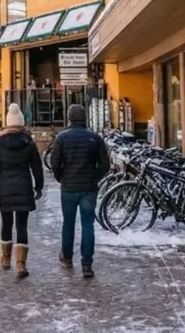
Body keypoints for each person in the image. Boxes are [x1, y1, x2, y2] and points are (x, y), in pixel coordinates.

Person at [48, 103, 111, 279]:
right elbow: (105, 164)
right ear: (85, 118)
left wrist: (61, 177)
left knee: (68, 223)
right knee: (88, 224)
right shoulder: (95, 138)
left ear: (69, 118)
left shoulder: (62, 137)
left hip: (69, 186)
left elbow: (55, 162)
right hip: (88, 187)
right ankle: (87, 264)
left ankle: (67, 257)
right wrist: (95, 177)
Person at [0, 103, 44, 279]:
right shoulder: (29, 142)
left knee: (6, 223)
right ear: (21, 123)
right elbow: (37, 167)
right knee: (22, 225)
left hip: (5, 188)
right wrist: (38, 186)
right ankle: (21, 264)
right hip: (24, 187)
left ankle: (5, 259)